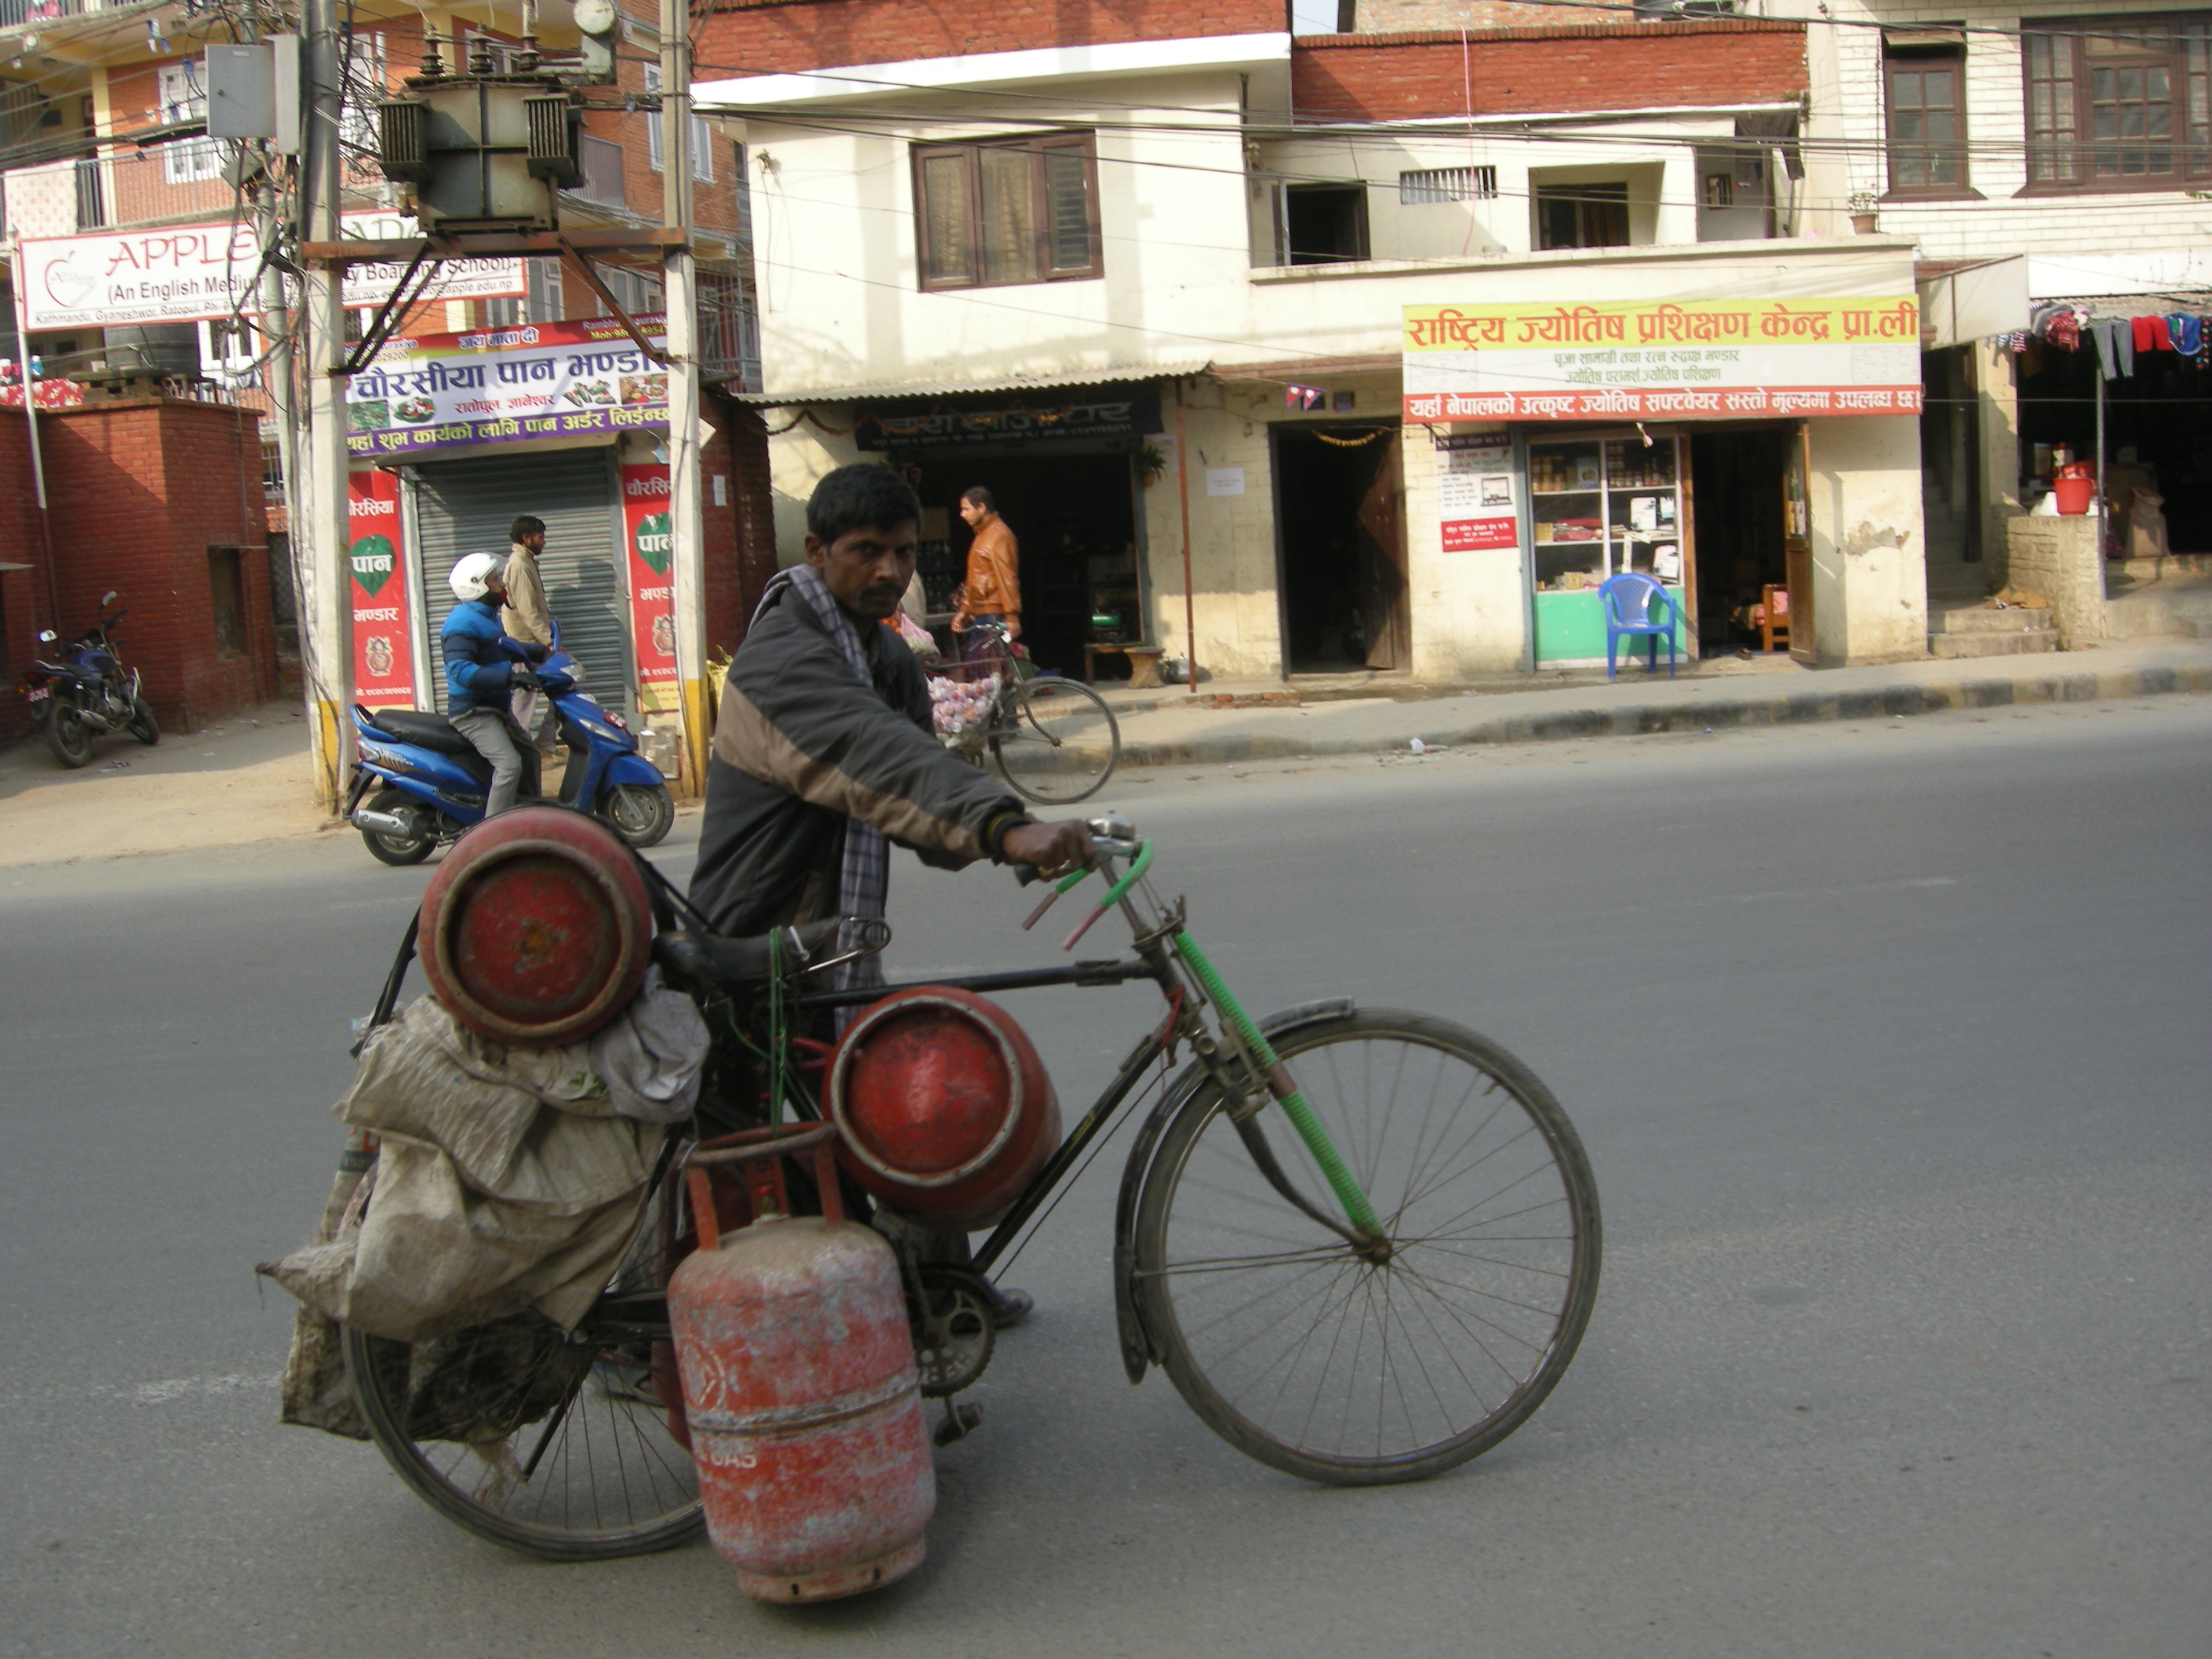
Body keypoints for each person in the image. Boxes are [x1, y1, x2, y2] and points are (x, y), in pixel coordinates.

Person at [689, 463, 1088, 1325]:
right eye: (864, 552)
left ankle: (935, 1294)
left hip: (835, 942)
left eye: (902, 554)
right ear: (817, 552)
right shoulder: (780, 658)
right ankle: (714, 1339)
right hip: (763, 943)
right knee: (782, 1158)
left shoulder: (882, 656)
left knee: (894, 1101)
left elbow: (915, 800)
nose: (886, 572)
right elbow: (873, 757)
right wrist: (1001, 823)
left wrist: (1007, 842)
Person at [440, 552, 549, 818]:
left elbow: (502, 647)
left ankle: (528, 814)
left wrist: (537, 652)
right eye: (495, 579)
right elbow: (460, 671)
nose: (502, 584)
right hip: (474, 713)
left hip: (496, 707)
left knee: (531, 754)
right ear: (477, 585)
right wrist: (511, 678)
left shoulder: (487, 615)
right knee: (510, 765)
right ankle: (491, 831)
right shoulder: (461, 623)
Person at [500, 515, 558, 751]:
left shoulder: (527, 562)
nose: (544, 541)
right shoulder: (519, 566)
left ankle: (545, 739)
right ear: (526, 539)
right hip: (525, 644)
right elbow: (528, 611)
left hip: (536, 642)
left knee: (564, 686)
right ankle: (518, 750)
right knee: (524, 703)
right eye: (540, 536)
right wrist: (550, 641)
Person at [950, 486, 1020, 662]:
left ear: (981, 508)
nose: (962, 514)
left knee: (983, 671)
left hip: (993, 616)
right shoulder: (983, 535)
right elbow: (976, 578)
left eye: (966, 509)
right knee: (983, 673)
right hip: (984, 614)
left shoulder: (999, 535)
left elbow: (1007, 579)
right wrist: (965, 610)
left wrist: (1012, 617)